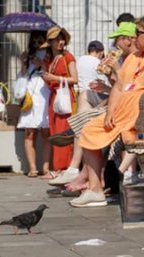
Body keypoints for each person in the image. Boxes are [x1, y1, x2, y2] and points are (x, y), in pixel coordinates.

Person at [70, 15, 144, 207]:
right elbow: (118, 87)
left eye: (138, 33)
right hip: (123, 109)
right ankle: (95, 189)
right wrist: (110, 112)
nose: (133, 38)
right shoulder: (134, 58)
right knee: (89, 130)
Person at [47, 21, 138, 189]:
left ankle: (82, 171)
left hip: (128, 107)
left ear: (128, 40)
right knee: (86, 97)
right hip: (118, 103)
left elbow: (129, 90)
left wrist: (116, 72)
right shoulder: (128, 59)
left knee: (91, 126)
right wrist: (108, 83)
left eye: (117, 39)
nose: (114, 44)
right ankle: (78, 167)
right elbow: (120, 88)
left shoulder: (135, 60)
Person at [41, 26, 78, 178]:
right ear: (50, 42)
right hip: (55, 96)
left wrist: (55, 78)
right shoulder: (49, 59)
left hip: (65, 96)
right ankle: (58, 168)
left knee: (63, 132)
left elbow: (75, 79)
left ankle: (63, 169)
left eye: (62, 38)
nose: (60, 42)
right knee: (55, 131)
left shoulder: (67, 57)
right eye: (57, 39)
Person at [17, 31, 51, 178]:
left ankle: (46, 167)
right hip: (30, 95)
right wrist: (23, 62)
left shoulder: (51, 55)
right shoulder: (28, 55)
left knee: (46, 133)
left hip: (44, 95)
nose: (37, 45)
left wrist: (42, 64)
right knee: (29, 133)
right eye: (35, 42)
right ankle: (32, 168)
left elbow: (52, 75)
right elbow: (22, 75)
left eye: (40, 41)